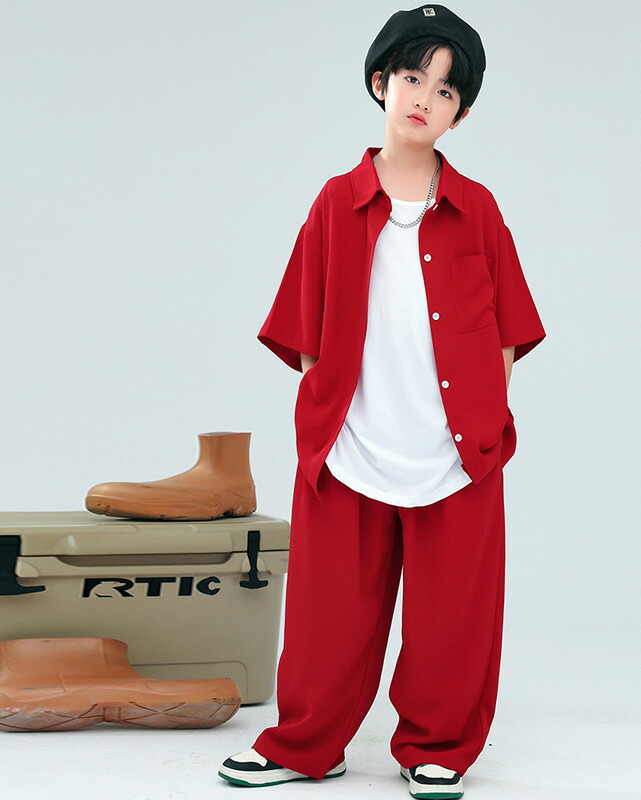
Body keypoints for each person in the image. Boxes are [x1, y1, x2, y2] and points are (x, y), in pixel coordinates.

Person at [218, 5, 546, 798]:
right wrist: (336, 410)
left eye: (446, 90)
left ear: (461, 114)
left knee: (453, 618)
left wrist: (484, 419)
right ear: (380, 83)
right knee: (329, 615)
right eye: (411, 77)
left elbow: (507, 330)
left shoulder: (479, 210)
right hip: (352, 445)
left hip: (456, 451)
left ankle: (437, 746)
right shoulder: (336, 202)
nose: (424, 98)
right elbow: (302, 326)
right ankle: (307, 744)